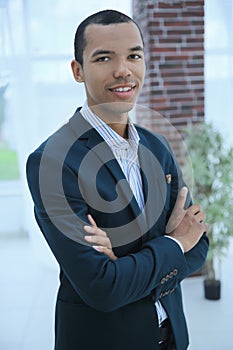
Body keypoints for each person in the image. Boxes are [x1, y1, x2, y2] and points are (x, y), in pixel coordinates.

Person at [26, 9, 209, 350]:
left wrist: (127, 265)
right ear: (78, 71)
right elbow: (103, 288)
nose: (123, 70)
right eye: (104, 57)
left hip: (171, 337)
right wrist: (172, 243)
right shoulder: (52, 163)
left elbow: (199, 245)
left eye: (133, 55)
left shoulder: (157, 147)